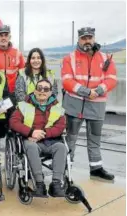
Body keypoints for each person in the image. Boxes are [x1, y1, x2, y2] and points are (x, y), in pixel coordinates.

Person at [62, 27, 117, 182]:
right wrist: (86, 91)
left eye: (89, 38)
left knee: (95, 138)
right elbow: (67, 80)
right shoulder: (69, 58)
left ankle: (96, 168)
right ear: (78, 40)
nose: (87, 41)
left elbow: (111, 79)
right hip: (74, 106)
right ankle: (66, 167)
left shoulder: (106, 58)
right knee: (70, 138)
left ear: (94, 38)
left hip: (97, 105)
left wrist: (98, 91)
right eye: (83, 38)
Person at [9, 79, 67, 197]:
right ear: (35, 91)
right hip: (30, 140)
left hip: (50, 141)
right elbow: (13, 122)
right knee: (30, 146)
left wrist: (42, 133)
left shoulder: (57, 107)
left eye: (46, 89)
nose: (42, 91)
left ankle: (56, 184)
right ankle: (39, 184)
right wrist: (31, 132)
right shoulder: (24, 105)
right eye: (39, 88)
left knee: (61, 147)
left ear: (51, 92)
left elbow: (60, 126)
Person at [0, 25, 25, 102]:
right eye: (1, 35)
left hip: (14, 94)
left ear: (9, 37)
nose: (3, 38)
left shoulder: (17, 53)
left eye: (6, 35)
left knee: (13, 114)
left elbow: (23, 75)